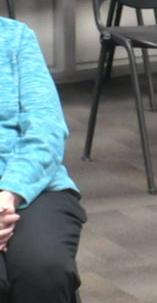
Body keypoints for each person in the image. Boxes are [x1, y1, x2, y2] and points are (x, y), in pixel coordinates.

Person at [0, 17, 86, 303]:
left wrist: (10, 193)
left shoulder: (14, 37)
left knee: (44, 269)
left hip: (32, 187)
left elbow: (46, 128)